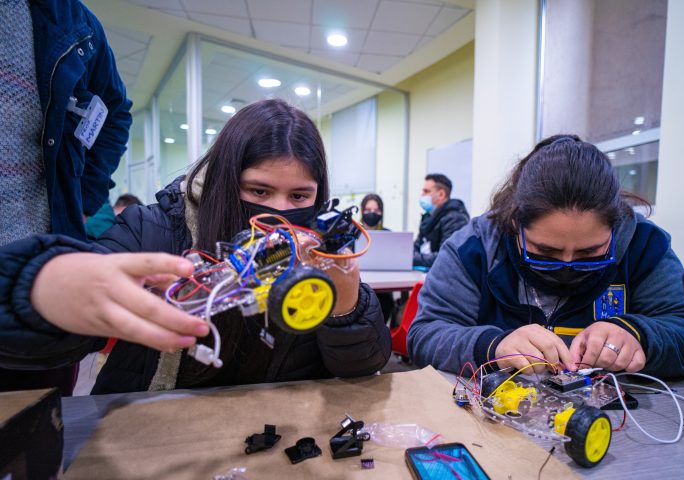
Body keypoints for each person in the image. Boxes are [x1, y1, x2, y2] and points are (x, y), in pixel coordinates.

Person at [0, 99, 391, 393]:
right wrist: (40, 289)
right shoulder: (150, 232)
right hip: (158, 438)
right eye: (259, 190)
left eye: (300, 197)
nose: (278, 213)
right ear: (225, 180)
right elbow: (45, 339)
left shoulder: (320, 251)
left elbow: (365, 367)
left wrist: (347, 309)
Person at [407, 135, 684, 379]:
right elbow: (425, 335)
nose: (567, 266)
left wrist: (639, 335)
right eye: (546, 252)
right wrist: (494, 346)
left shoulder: (644, 244)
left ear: (615, 226)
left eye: (589, 253)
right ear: (514, 223)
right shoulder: (474, 247)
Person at [0, 0, 131, 395]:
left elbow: (115, 112)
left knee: (38, 427)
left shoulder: (76, 24)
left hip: (40, 284)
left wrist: (83, 196)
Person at [413, 173, 469, 268]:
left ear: (441, 194)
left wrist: (412, 259)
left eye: (426, 191)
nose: (422, 194)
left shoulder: (455, 218)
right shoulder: (428, 217)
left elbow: (446, 256)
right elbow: (418, 245)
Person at [359, 193, 395, 323]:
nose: (372, 213)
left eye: (376, 210)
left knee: (384, 304)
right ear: (362, 211)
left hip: (383, 288)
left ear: (381, 213)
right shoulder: (352, 234)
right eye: (368, 210)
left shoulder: (388, 234)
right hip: (359, 284)